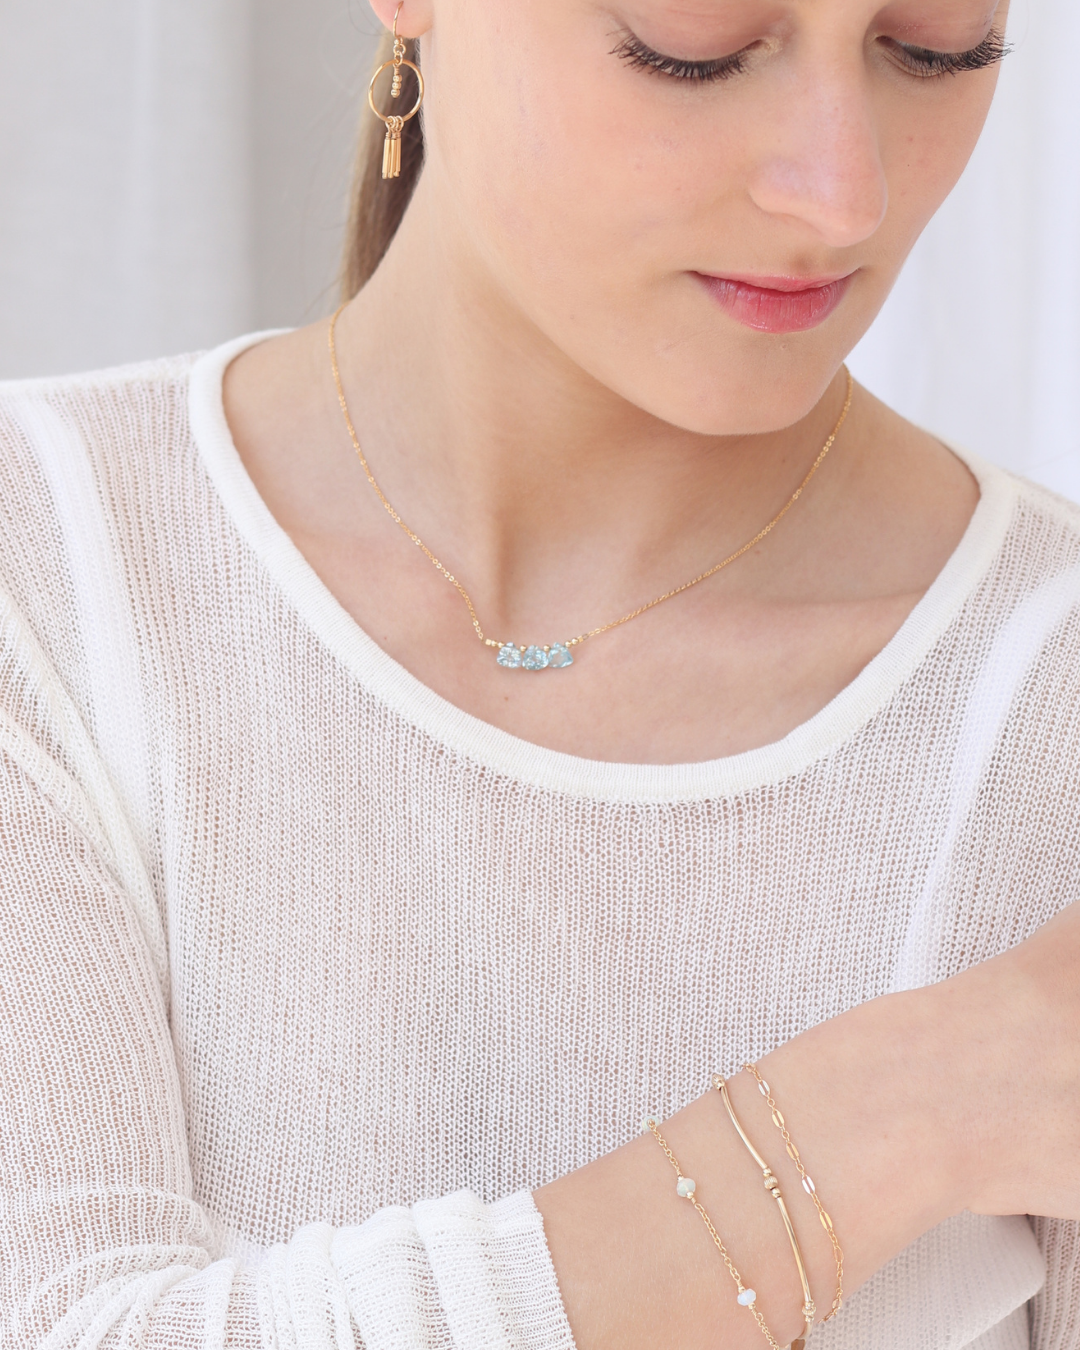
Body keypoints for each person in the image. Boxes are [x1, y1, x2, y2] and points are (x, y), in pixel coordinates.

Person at [1, 0, 1078, 1346]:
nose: (840, 195)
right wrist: (904, 1112)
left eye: (936, 47)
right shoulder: (46, 564)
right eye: (693, 46)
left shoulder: (1047, 694)